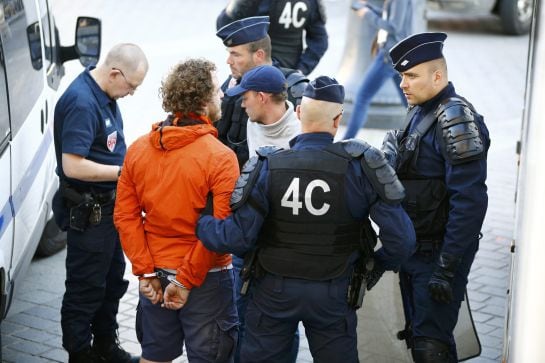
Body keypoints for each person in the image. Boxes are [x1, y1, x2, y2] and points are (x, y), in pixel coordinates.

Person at [196, 76, 416, 362]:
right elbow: (402, 241)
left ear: (298, 113)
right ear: (338, 120)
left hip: (272, 292)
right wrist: (373, 267)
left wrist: (201, 222)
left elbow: (237, 238)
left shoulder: (267, 165)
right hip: (334, 292)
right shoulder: (361, 168)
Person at [113, 58, 240, 363]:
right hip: (207, 279)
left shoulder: (139, 150)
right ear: (204, 99)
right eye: (216, 89)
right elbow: (220, 229)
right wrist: (185, 281)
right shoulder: (221, 158)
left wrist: (144, 272)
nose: (222, 94)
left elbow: (126, 217)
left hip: (156, 273)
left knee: (155, 356)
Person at [382, 32, 490, 362]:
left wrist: (447, 266)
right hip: (414, 249)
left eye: (411, 75)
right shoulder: (420, 110)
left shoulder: (454, 117)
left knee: (433, 344)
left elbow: (470, 201)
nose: (403, 84)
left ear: (438, 76)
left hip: (438, 255)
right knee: (419, 336)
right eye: (402, 76)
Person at [53, 43, 148, 363]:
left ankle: (106, 346)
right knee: (85, 288)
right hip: (90, 211)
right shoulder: (82, 102)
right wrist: (125, 172)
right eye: (131, 86)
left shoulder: (105, 95)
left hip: (110, 211)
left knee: (111, 282)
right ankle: (80, 353)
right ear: (115, 73)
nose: (132, 94)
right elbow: (73, 165)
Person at [222, 63, 301, 362]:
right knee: (238, 317)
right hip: (247, 241)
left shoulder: (298, 134)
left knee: (282, 326)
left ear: (263, 97)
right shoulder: (252, 122)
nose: (241, 104)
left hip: (282, 248)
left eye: (246, 97)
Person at [215, 15, 308, 169]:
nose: (228, 61)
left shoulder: (294, 88)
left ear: (259, 55)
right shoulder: (231, 84)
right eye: (229, 53)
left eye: (236, 54)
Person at [343, 0, 413, 139]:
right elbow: (389, 16)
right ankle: (423, 140)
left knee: (362, 97)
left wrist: (367, 14)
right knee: (411, 103)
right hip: (396, 54)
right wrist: (368, 7)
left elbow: (394, 26)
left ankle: (345, 144)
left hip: (389, 56)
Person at [216, 0, 328, 75]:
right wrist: (301, 70)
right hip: (289, 77)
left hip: (256, 73)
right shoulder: (311, 2)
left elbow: (224, 27)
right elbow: (320, 41)